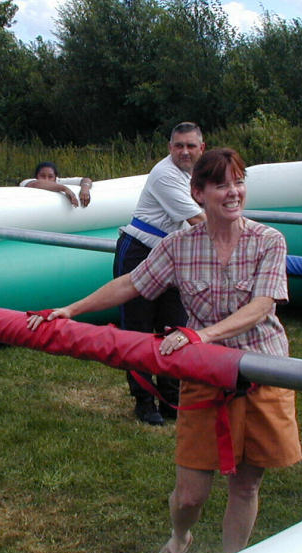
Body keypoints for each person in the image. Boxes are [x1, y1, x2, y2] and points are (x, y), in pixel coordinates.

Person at [28, 148, 302, 553]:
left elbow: (263, 305)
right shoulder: (178, 245)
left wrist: (202, 336)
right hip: (205, 374)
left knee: (245, 485)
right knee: (190, 494)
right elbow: (131, 284)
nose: (233, 192)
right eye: (221, 185)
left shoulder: (268, 240)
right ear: (198, 194)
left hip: (260, 371)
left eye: (238, 182)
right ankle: (180, 538)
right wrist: (72, 309)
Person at [114, 122, 206, 425]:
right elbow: (200, 221)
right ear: (170, 148)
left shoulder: (197, 174)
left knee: (174, 327)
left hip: (171, 255)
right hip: (139, 252)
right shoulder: (166, 174)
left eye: (190, 146)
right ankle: (144, 402)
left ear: (201, 148)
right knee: (137, 330)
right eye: (179, 146)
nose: (184, 152)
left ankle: (171, 399)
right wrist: (245, 243)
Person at [20, 161, 92, 207]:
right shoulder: (26, 182)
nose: (46, 179)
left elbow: (86, 180)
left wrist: (85, 190)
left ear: (55, 178)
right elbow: (35, 184)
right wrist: (64, 188)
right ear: (36, 176)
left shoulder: (58, 181)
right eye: (42, 176)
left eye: (50, 176)